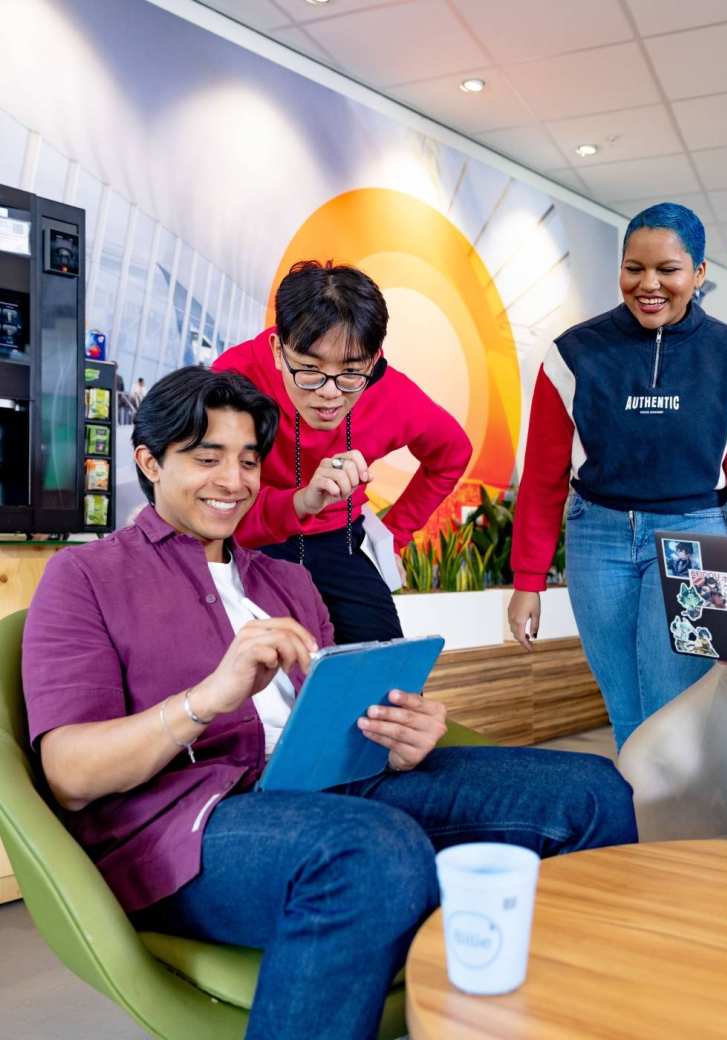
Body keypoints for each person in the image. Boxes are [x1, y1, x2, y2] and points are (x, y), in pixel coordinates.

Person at [21, 367, 637, 1040]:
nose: (233, 481)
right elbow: (71, 776)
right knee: (368, 852)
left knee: (592, 790)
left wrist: (403, 736)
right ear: (148, 460)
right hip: (196, 827)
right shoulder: (84, 578)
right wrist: (207, 698)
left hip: (340, 791)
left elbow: (336, 721)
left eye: (249, 460)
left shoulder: (287, 580)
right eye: (206, 458)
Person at [508, 202, 727, 749]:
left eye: (668, 270)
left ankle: (682, 823)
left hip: (696, 538)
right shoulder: (573, 355)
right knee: (624, 709)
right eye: (634, 268)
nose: (649, 285)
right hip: (597, 538)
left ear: (700, 273)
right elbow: (545, 476)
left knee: (673, 705)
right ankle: (644, 826)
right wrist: (528, 580)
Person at [212, 261, 471, 643]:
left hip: (341, 539)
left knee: (387, 675)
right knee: (267, 667)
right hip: (251, 538)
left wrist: (396, 532)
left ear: (374, 358)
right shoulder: (233, 380)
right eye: (310, 370)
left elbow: (452, 453)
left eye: (351, 372)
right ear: (278, 350)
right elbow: (213, 494)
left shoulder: (391, 392)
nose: (330, 393)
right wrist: (299, 501)